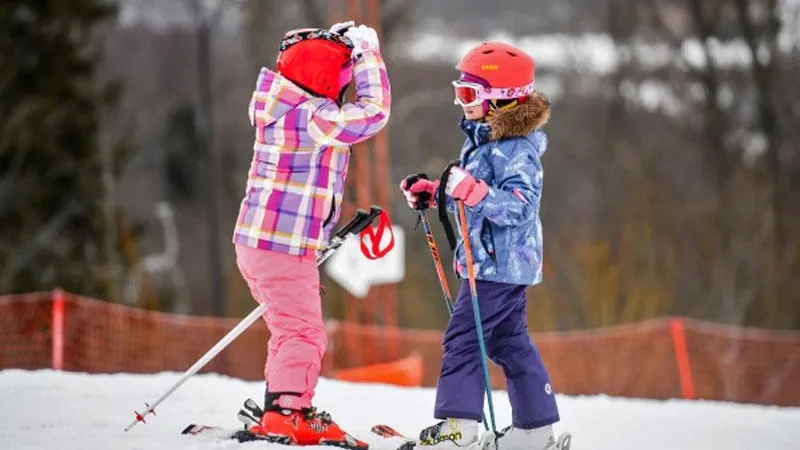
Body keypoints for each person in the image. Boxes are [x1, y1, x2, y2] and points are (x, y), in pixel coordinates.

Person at [399, 41, 569, 450]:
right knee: (506, 340)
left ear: (501, 101)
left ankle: (460, 427)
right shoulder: (488, 140)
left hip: (499, 263)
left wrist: (472, 191)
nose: (462, 103)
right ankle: (535, 430)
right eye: (459, 92)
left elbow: (520, 206)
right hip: (497, 262)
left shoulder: (516, 149)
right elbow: (474, 193)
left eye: (470, 95)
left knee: (464, 338)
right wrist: (437, 192)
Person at [232, 21, 390, 447]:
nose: (343, 88)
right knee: (305, 333)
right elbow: (374, 113)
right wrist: (366, 55)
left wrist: (334, 46)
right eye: (339, 78)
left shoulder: (282, 108)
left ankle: (279, 403)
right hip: (282, 247)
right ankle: (288, 412)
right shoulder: (313, 119)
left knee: (289, 329)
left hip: (259, 243)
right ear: (322, 79)